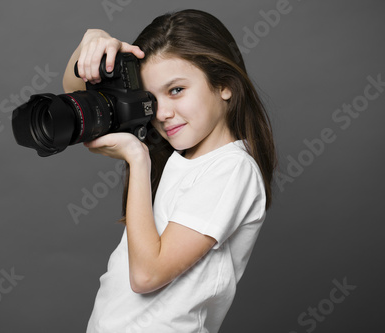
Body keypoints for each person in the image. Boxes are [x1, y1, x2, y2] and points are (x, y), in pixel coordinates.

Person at [62, 9, 277, 333]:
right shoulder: (177, 155)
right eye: (151, 98)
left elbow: (147, 275)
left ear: (224, 86)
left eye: (176, 90)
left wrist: (137, 158)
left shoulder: (232, 169)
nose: (161, 113)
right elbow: (76, 99)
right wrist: (90, 44)